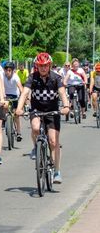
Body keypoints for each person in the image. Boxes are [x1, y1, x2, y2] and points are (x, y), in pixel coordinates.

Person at [15, 52, 70, 183]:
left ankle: (56, 171)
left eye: (45, 66)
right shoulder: (32, 77)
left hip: (53, 111)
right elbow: (25, 93)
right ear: (37, 66)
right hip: (37, 109)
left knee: (53, 141)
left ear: (49, 65)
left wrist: (66, 106)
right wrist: (19, 108)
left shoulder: (56, 78)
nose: (43, 68)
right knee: (35, 128)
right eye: (40, 66)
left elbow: (62, 93)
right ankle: (36, 147)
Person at [2, 62, 24, 141]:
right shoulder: (2, 76)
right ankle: (5, 121)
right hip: (6, 95)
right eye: (6, 70)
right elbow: (0, 87)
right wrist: (2, 96)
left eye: (9, 70)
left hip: (14, 95)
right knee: (4, 107)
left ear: (12, 71)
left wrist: (22, 97)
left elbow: (21, 88)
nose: (7, 72)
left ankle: (18, 133)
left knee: (16, 115)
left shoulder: (15, 77)